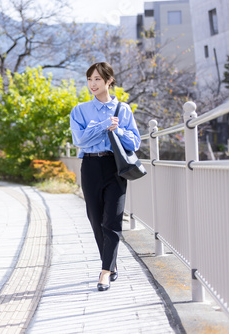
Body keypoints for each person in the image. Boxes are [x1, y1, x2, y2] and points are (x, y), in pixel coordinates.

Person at [70, 62, 141, 291]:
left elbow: (135, 142)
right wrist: (103, 125)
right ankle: (111, 264)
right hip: (90, 166)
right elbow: (79, 140)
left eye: (98, 79)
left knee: (112, 220)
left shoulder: (124, 110)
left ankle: (104, 272)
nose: (93, 84)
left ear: (109, 80)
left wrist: (117, 130)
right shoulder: (79, 110)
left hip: (115, 166)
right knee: (95, 218)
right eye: (90, 79)